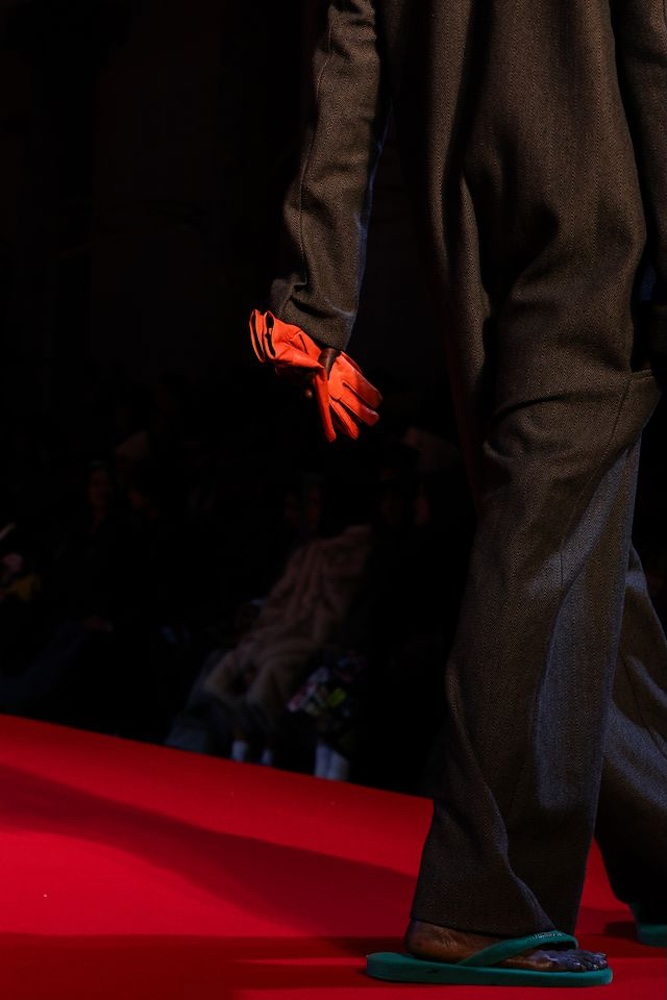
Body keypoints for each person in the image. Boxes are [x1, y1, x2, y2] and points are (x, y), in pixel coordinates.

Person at [247, 0, 667, 988]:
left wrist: (312, 304)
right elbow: (655, 50)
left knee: (567, 539)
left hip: (465, 229)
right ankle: (483, 903)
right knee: (546, 543)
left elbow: (343, 76)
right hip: (597, 222)